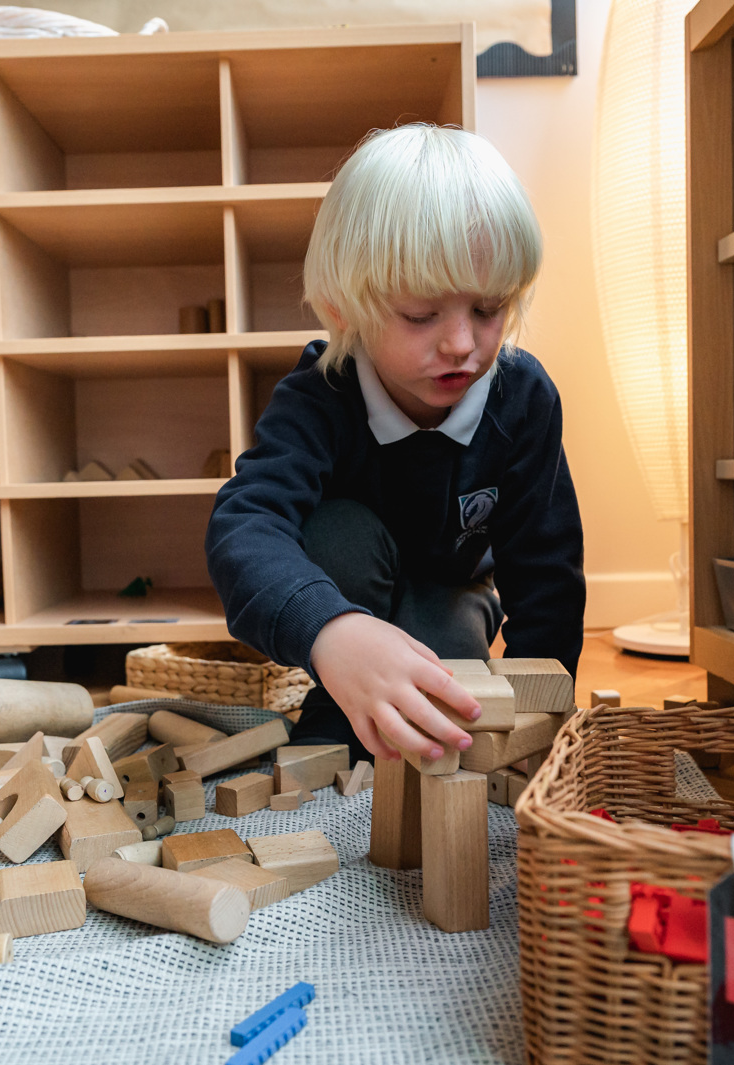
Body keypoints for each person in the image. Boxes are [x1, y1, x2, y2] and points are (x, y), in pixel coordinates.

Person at [206, 123, 586, 766]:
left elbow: (546, 571)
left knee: (446, 702)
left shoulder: (523, 397)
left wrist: (539, 719)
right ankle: (334, 704)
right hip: (347, 587)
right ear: (343, 308)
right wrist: (333, 632)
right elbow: (243, 527)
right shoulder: (318, 395)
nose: (462, 344)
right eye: (421, 315)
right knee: (338, 533)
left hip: (451, 592)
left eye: (489, 309)